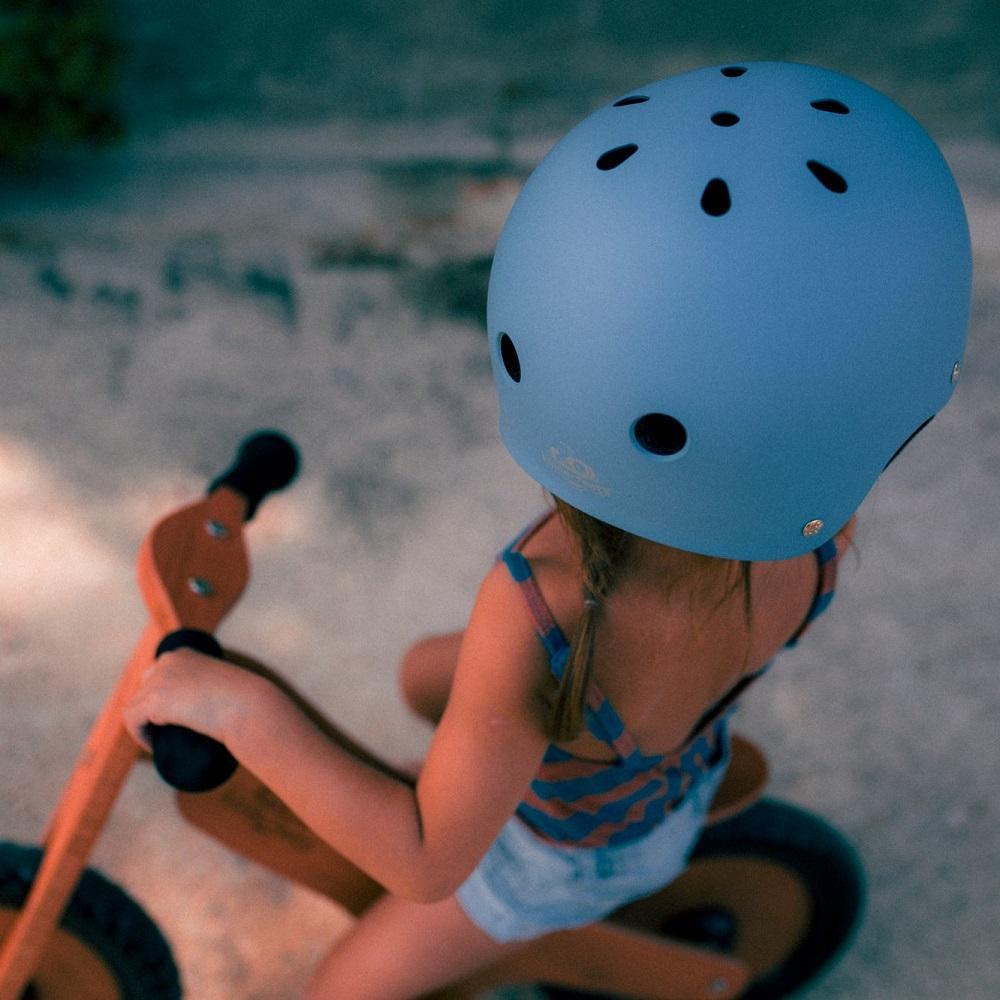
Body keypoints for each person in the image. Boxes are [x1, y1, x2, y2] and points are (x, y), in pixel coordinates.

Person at [122, 60, 971, 999]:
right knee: (422, 673)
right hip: (668, 786)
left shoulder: (540, 606)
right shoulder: (816, 539)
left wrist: (239, 707)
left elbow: (426, 862)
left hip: (550, 867)